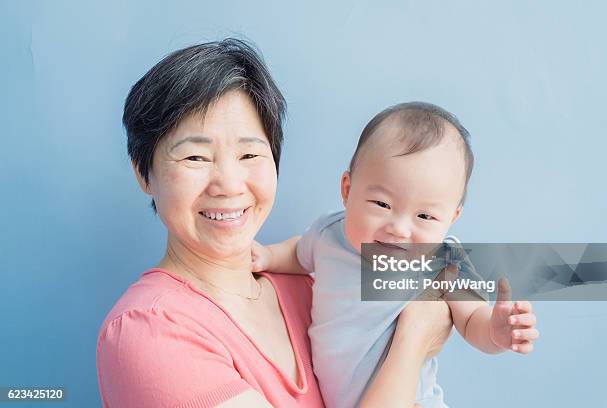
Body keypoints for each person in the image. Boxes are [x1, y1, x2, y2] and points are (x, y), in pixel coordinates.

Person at [96, 39, 455, 408]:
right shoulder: (148, 331)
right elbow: (427, 308)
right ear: (144, 173)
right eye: (196, 157)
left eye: (250, 154)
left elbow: (472, 274)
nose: (229, 185)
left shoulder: (313, 286)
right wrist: (415, 335)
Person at [251, 102, 540, 407]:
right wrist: (267, 256)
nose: (400, 229)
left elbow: (471, 321)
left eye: (425, 217)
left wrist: (496, 332)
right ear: (348, 190)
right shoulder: (330, 234)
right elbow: (298, 254)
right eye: (382, 205)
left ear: (452, 218)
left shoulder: (445, 261)